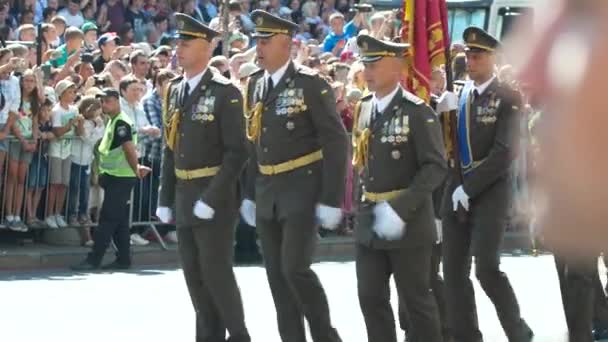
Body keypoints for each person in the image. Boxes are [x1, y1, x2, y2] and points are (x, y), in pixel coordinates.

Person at [240, 10, 347, 342]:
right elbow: (252, 140)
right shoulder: (256, 83)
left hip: (302, 189)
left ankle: (325, 337)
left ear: (286, 44)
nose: (258, 47)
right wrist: (247, 191)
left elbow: (336, 139)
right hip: (267, 191)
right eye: (257, 40)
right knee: (276, 277)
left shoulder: (310, 83)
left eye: (266, 40)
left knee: (295, 270)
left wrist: (331, 199)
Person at [155, 13, 251, 342]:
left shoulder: (226, 92)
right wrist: (164, 198)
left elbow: (238, 152)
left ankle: (239, 336)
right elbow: (170, 147)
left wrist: (211, 198)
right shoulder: (175, 90)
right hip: (184, 194)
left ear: (207, 49)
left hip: (215, 197)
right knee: (194, 277)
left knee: (217, 274)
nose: (178, 49)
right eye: (177, 43)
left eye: (186, 43)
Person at [349, 34, 445, 342]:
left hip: (408, 223)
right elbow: (362, 162)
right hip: (370, 220)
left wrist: (400, 209)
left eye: (375, 63)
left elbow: (435, 167)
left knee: (415, 302)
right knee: (370, 298)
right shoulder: (364, 107)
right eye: (365, 63)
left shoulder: (417, 111)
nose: (368, 70)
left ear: (397, 68)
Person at [440, 27, 533, 342]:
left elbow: (504, 152)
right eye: (467, 54)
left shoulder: (508, 96)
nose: (471, 60)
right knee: (452, 272)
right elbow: (448, 146)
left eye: (477, 55)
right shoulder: (461, 92)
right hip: (457, 191)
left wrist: (471, 187)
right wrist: (442, 113)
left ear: (493, 58)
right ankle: (466, 336)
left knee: (487, 269)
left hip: (490, 192)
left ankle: (518, 332)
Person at [71, 88, 150, 271]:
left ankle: (94, 259)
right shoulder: (113, 120)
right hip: (116, 177)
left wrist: (136, 168)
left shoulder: (121, 122)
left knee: (106, 220)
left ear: (116, 101)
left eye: (107, 101)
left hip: (121, 178)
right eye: (103, 102)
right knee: (120, 221)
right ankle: (123, 259)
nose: (104, 105)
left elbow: (128, 148)